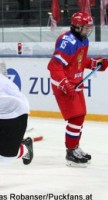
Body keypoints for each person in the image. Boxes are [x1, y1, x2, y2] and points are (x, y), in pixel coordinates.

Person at [47, 11, 108, 168]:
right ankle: (70, 152)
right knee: (75, 118)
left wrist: (95, 63)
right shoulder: (67, 42)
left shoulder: (83, 40)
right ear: (77, 26)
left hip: (76, 84)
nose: (88, 30)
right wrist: (65, 84)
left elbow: (79, 61)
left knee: (80, 117)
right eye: (86, 28)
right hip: (65, 86)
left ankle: (74, 147)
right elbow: (54, 66)